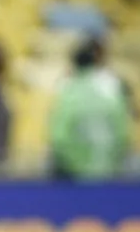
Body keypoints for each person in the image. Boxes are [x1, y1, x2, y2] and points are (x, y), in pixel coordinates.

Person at [50, 37, 131, 180]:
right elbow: (123, 132)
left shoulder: (67, 88)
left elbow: (59, 136)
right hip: (107, 170)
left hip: (75, 172)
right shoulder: (112, 87)